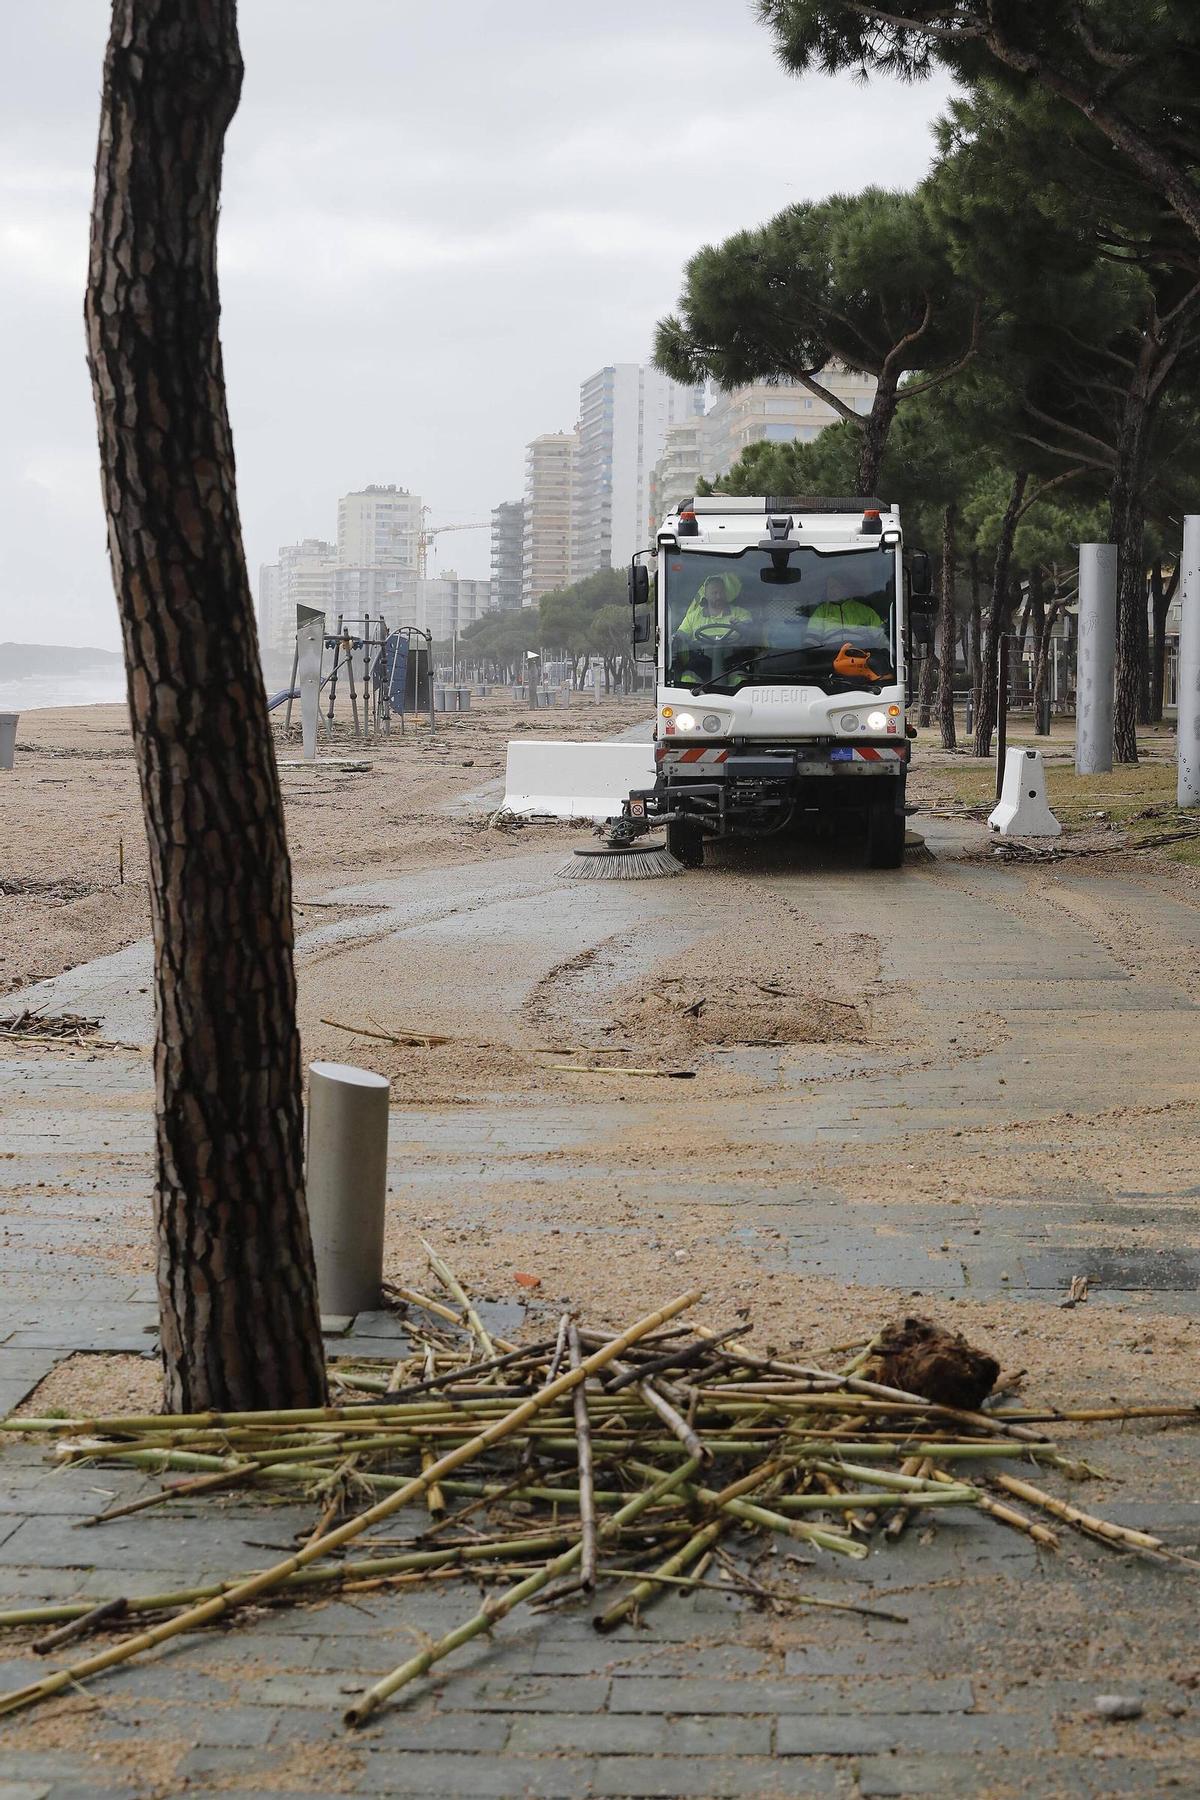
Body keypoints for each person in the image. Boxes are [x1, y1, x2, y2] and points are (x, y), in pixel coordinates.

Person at [673, 574, 754, 687]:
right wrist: (674, 642)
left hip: (733, 661)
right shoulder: (693, 617)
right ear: (705, 595)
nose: (718, 596)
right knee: (687, 679)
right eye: (714, 593)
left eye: (721, 592)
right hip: (701, 662)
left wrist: (741, 627)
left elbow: (751, 632)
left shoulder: (740, 613)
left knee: (741, 681)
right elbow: (679, 636)